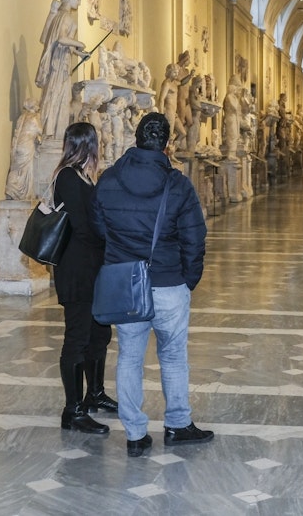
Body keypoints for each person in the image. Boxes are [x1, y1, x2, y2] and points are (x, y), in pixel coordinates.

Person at [92, 112, 210, 458]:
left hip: (127, 283)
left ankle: (135, 433)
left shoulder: (109, 179)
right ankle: (177, 424)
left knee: (129, 356)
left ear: (136, 136)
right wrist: (189, 278)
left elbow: (100, 228)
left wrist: (123, 253)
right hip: (169, 282)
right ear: (168, 143)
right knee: (173, 356)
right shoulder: (178, 184)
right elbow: (194, 238)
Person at [50, 122, 115, 435]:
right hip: (77, 271)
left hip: (93, 269)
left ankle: (95, 394)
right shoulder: (67, 177)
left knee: (99, 333)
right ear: (89, 145)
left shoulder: (82, 176)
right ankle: (72, 411)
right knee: (77, 337)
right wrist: (111, 240)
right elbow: (84, 227)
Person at [36, 0, 88, 139]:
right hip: (59, 65)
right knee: (57, 96)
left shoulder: (58, 15)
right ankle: (53, 134)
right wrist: (80, 44)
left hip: (61, 63)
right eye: (78, 0)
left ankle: (53, 133)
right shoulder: (65, 17)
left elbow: (64, 46)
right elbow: (61, 39)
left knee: (56, 96)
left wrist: (79, 53)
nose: (78, 4)